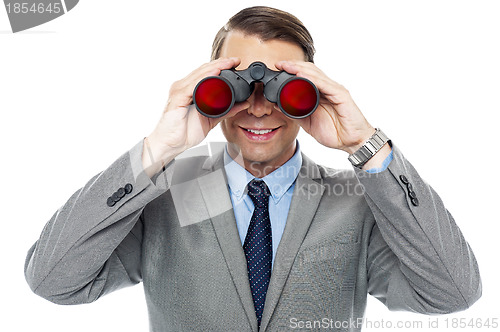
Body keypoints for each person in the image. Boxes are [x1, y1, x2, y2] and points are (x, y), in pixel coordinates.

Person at [24, 6, 481, 332]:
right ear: (209, 86)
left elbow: (453, 293)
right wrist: (157, 150)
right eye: (238, 87)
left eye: (285, 88)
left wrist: (366, 144)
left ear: (314, 91)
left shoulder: (358, 203)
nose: (259, 108)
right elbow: (52, 280)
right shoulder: (166, 192)